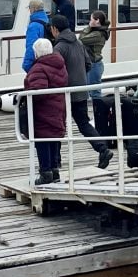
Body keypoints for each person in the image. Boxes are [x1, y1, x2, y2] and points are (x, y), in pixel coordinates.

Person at [50, 14, 113, 169]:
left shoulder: (58, 48)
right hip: (81, 90)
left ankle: (55, 162)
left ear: (55, 29)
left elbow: (56, 71)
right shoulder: (78, 43)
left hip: (65, 93)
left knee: (57, 126)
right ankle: (102, 149)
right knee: (84, 123)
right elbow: (88, 64)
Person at [22, 38, 67, 184]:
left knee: (42, 140)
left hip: (43, 110)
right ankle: (54, 171)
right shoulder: (60, 65)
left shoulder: (39, 68)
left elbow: (38, 91)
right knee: (54, 139)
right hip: (58, 107)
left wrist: (24, 98)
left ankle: (45, 172)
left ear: (37, 53)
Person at [78, 10, 109, 100]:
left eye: (91, 19)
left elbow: (81, 39)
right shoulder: (97, 31)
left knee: (95, 93)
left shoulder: (98, 34)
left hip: (94, 65)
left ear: (97, 21)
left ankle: (98, 111)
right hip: (92, 64)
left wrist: (89, 27)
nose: (89, 21)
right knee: (89, 90)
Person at [21, 0, 50, 72]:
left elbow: (31, 47)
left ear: (33, 9)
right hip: (48, 63)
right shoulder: (47, 22)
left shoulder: (33, 26)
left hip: (37, 65)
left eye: (29, 8)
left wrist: (26, 66)